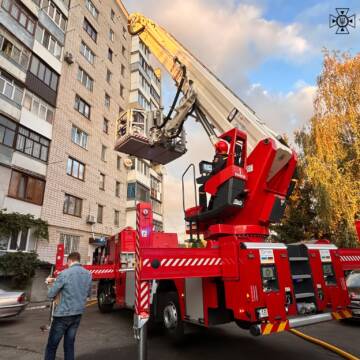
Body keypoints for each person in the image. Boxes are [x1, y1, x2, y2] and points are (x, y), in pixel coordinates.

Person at [44, 252, 92, 360]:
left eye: (67, 263)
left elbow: (51, 294)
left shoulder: (65, 273)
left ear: (69, 261)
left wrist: (49, 283)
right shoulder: (88, 274)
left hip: (62, 315)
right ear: (78, 260)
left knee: (52, 346)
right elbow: (88, 294)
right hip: (77, 315)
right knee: (69, 345)